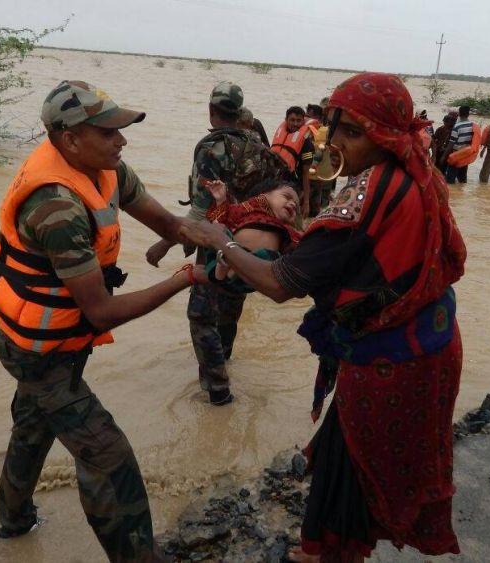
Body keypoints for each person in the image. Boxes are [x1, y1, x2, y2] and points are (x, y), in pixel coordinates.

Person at [180, 72, 467, 562]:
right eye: (333, 127)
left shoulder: (365, 194)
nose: (335, 142)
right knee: (346, 448)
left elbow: (278, 284)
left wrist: (219, 240)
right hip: (430, 340)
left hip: (392, 359)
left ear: (385, 135)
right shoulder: (423, 172)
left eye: (352, 133)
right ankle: (323, 546)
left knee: (355, 462)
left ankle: (329, 551)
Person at [0, 80, 200, 562]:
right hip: (36, 353)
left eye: (121, 128)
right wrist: (186, 279)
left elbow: (170, 224)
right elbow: (101, 311)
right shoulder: (56, 206)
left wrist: (223, 236)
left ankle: (12, 520)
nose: (121, 140)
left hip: (56, 340)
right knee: (107, 455)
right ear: (69, 139)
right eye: (108, 132)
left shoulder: (106, 169)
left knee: (32, 426)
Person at [146, 82, 286, 405]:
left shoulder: (211, 149)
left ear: (211, 111)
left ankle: (218, 390)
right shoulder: (260, 148)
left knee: (201, 314)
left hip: (215, 242)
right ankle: (224, 360)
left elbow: (199, 210)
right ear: (239, 113)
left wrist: (164, 243)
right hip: (249, 247)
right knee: (231, 307)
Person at [204, 178, 301, 289]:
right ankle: (222, 269)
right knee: (219, 230)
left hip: (256, 272)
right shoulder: (248, 208)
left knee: (269, 256)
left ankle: (227, 272)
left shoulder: (287, 230)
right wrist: (221, 200)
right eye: (287, 197)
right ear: (265, 194)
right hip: (231, 256)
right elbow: (224, 217)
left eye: (297, 208)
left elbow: (302, 243)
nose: (293, 204)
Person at [271, 106, 315, 217]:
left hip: (295, 189)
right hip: (276, 184)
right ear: (286, 120)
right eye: (292, 120)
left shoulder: (307, 144)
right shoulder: (279, 136)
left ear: (303, 121)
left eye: (299, 120)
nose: (295, 124)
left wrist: (306, 203)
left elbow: (306, 174)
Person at [443, 105, 477, 184]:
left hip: (456, 154)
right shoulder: (473, 125)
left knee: (450, 180)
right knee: (462, 179)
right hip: (466, 154)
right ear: (468, 114)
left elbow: (451, 144)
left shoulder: (457, 127)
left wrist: (444, 156)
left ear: (459, 114)